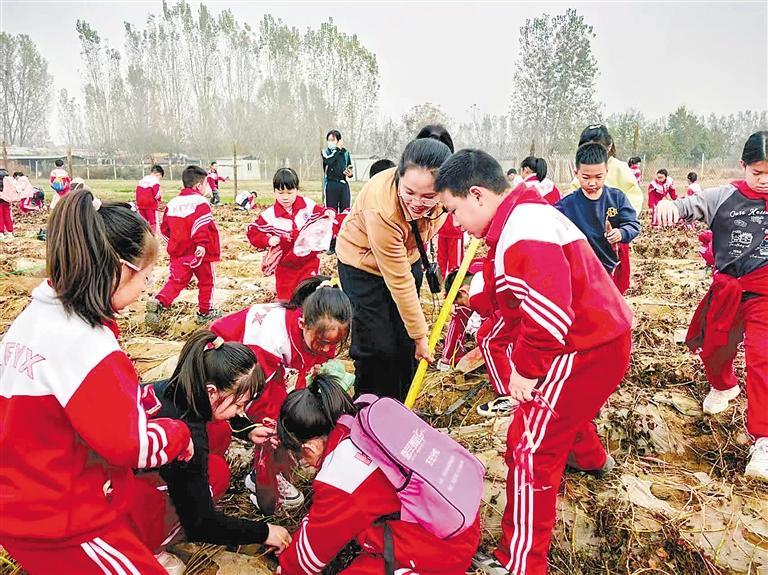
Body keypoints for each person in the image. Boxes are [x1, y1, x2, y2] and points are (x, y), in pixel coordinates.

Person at [434, 149, 633, 575]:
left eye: (454, 211)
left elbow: (548, 316)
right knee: (564, 412)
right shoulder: (525, 216)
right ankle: (593, 459)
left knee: (529, 445)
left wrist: (525, 372)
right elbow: (514, 292)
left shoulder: (523, 231)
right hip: (604, 336)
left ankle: (521, 562)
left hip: (582, 346)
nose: (455, 224)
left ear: (477, 195)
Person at [0, 188, 194, 575]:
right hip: (62, 519)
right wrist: (178, 435)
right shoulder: (87, 344)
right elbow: (129, 446)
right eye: (146, 275)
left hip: (23, 499)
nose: (147, 289)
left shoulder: (35, 318)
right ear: (119, 269)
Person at [276, 376, 481, 575]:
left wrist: (286, 568)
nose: (308, 465)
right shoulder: (364, 417)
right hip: (456, 517)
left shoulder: (342, 471)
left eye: (301, 459)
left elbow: (311, 554)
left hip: (439, 550)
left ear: (309, 448)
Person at [654, 130, 768, 482]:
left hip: (765, 294)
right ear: (743, 166)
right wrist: (669, 204)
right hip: (729, 288)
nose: (764, 181)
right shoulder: (725, 196)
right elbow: (689, 205)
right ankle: (723, 384)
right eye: (757, 172)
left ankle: (764, 439)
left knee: (763, 357)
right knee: (715, 347)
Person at [128, 330, 291, 571]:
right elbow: (200, 522)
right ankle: (147, 547)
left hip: (111, 474)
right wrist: (265, 532)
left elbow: (217, 417)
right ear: (211, 391)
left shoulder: (171, 389)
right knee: (217, 472)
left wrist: (246, 430)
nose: (239, 411)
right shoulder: (188, 437)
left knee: (220, 431)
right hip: (115, 507)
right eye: (238, 403)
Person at [210, 276, 352, 513]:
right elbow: (255, 394)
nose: (329, 351)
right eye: (323, 343)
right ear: (302, 323)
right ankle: (262, 477)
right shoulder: (268, 342)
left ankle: (277, 465)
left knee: (290, 411)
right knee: (273, 423)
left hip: (268, 371)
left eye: (335, 344)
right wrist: (275, 427)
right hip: (225, 366)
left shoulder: (308, 328)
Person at [336, 138, 451, 401]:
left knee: (404, 342)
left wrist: (414, 338)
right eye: (409, 192)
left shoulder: (447, 198)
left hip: (408, 257)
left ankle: (401, 403)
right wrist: (422, 336)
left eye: (429, 196)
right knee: (376, 344)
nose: (417, 202)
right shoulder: (382, 208)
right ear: (398, 176)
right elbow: (399, 281)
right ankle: (369, 406)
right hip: (362, 265)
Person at [556, 142, 640, 294]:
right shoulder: (566, 205)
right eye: (586, 177)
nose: (592, 183)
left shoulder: (617, 198)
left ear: (606, 172)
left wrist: (621, 233)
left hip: (610, 268)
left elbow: (632, 224)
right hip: (580, 271)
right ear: (576, 173)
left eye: (598, 177)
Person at [147, 165, 221, 325]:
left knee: (176, 281)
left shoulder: (173, 203)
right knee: (207, 281)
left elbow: (165, 229)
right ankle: (205, 312)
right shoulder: (201, 202)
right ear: (198, 186)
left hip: (179, 253)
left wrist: (173, 244)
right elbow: (202, 225)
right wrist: (201, 245)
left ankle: (160, 301)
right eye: (206, 184)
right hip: (200, 254)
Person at [247, 168, 334, 300]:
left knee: (309, 296)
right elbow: (252, 231)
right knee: (287, 300)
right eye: (280, 193)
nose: (285, 197)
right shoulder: (270, 215)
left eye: (289, 192)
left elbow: (322, 213)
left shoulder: (307, 206)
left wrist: (329, 211)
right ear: (274, 192)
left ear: (297, 190)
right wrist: (267, 240)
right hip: (285, 267)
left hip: (308, 262)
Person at [569, 124, 645, 216]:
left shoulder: (620, 168)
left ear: (609, 147)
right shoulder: (583, 169)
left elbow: (634, 198)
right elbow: (572, 196)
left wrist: (623, 222)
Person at [436, 263, 483, 371]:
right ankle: (450, 357)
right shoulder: (465, 283)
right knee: (460, 311)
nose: (466, 306)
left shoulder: (483, 288)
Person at [322, 130, 353, 254]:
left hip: (343, 184)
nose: (331, 142)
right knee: (331, 214)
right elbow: (329, 161)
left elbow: (349, 167)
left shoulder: (345, 153)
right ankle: (332, 244)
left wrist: (350, 174)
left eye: (333, 140)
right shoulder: (326, 152)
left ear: (339, 140)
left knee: (345, 214)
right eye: (329, 140)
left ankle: (344, 242)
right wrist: (337, 150)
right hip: (331, 185)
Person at [135, 164, 165, 233]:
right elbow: (157, 194)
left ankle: (144, 234)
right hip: (150, 204)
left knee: (143, 221)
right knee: (153, 222)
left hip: (140, 204)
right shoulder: (155, 181)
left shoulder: (142, 180)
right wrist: (159, 199)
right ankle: (153, 235)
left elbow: (137, 192)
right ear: (158, 174)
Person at [0, 168, 15, 240]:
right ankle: (10, 232)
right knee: (7, 216)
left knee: (0, 216)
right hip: (6, 200)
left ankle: (1, 232)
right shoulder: (8, 179)